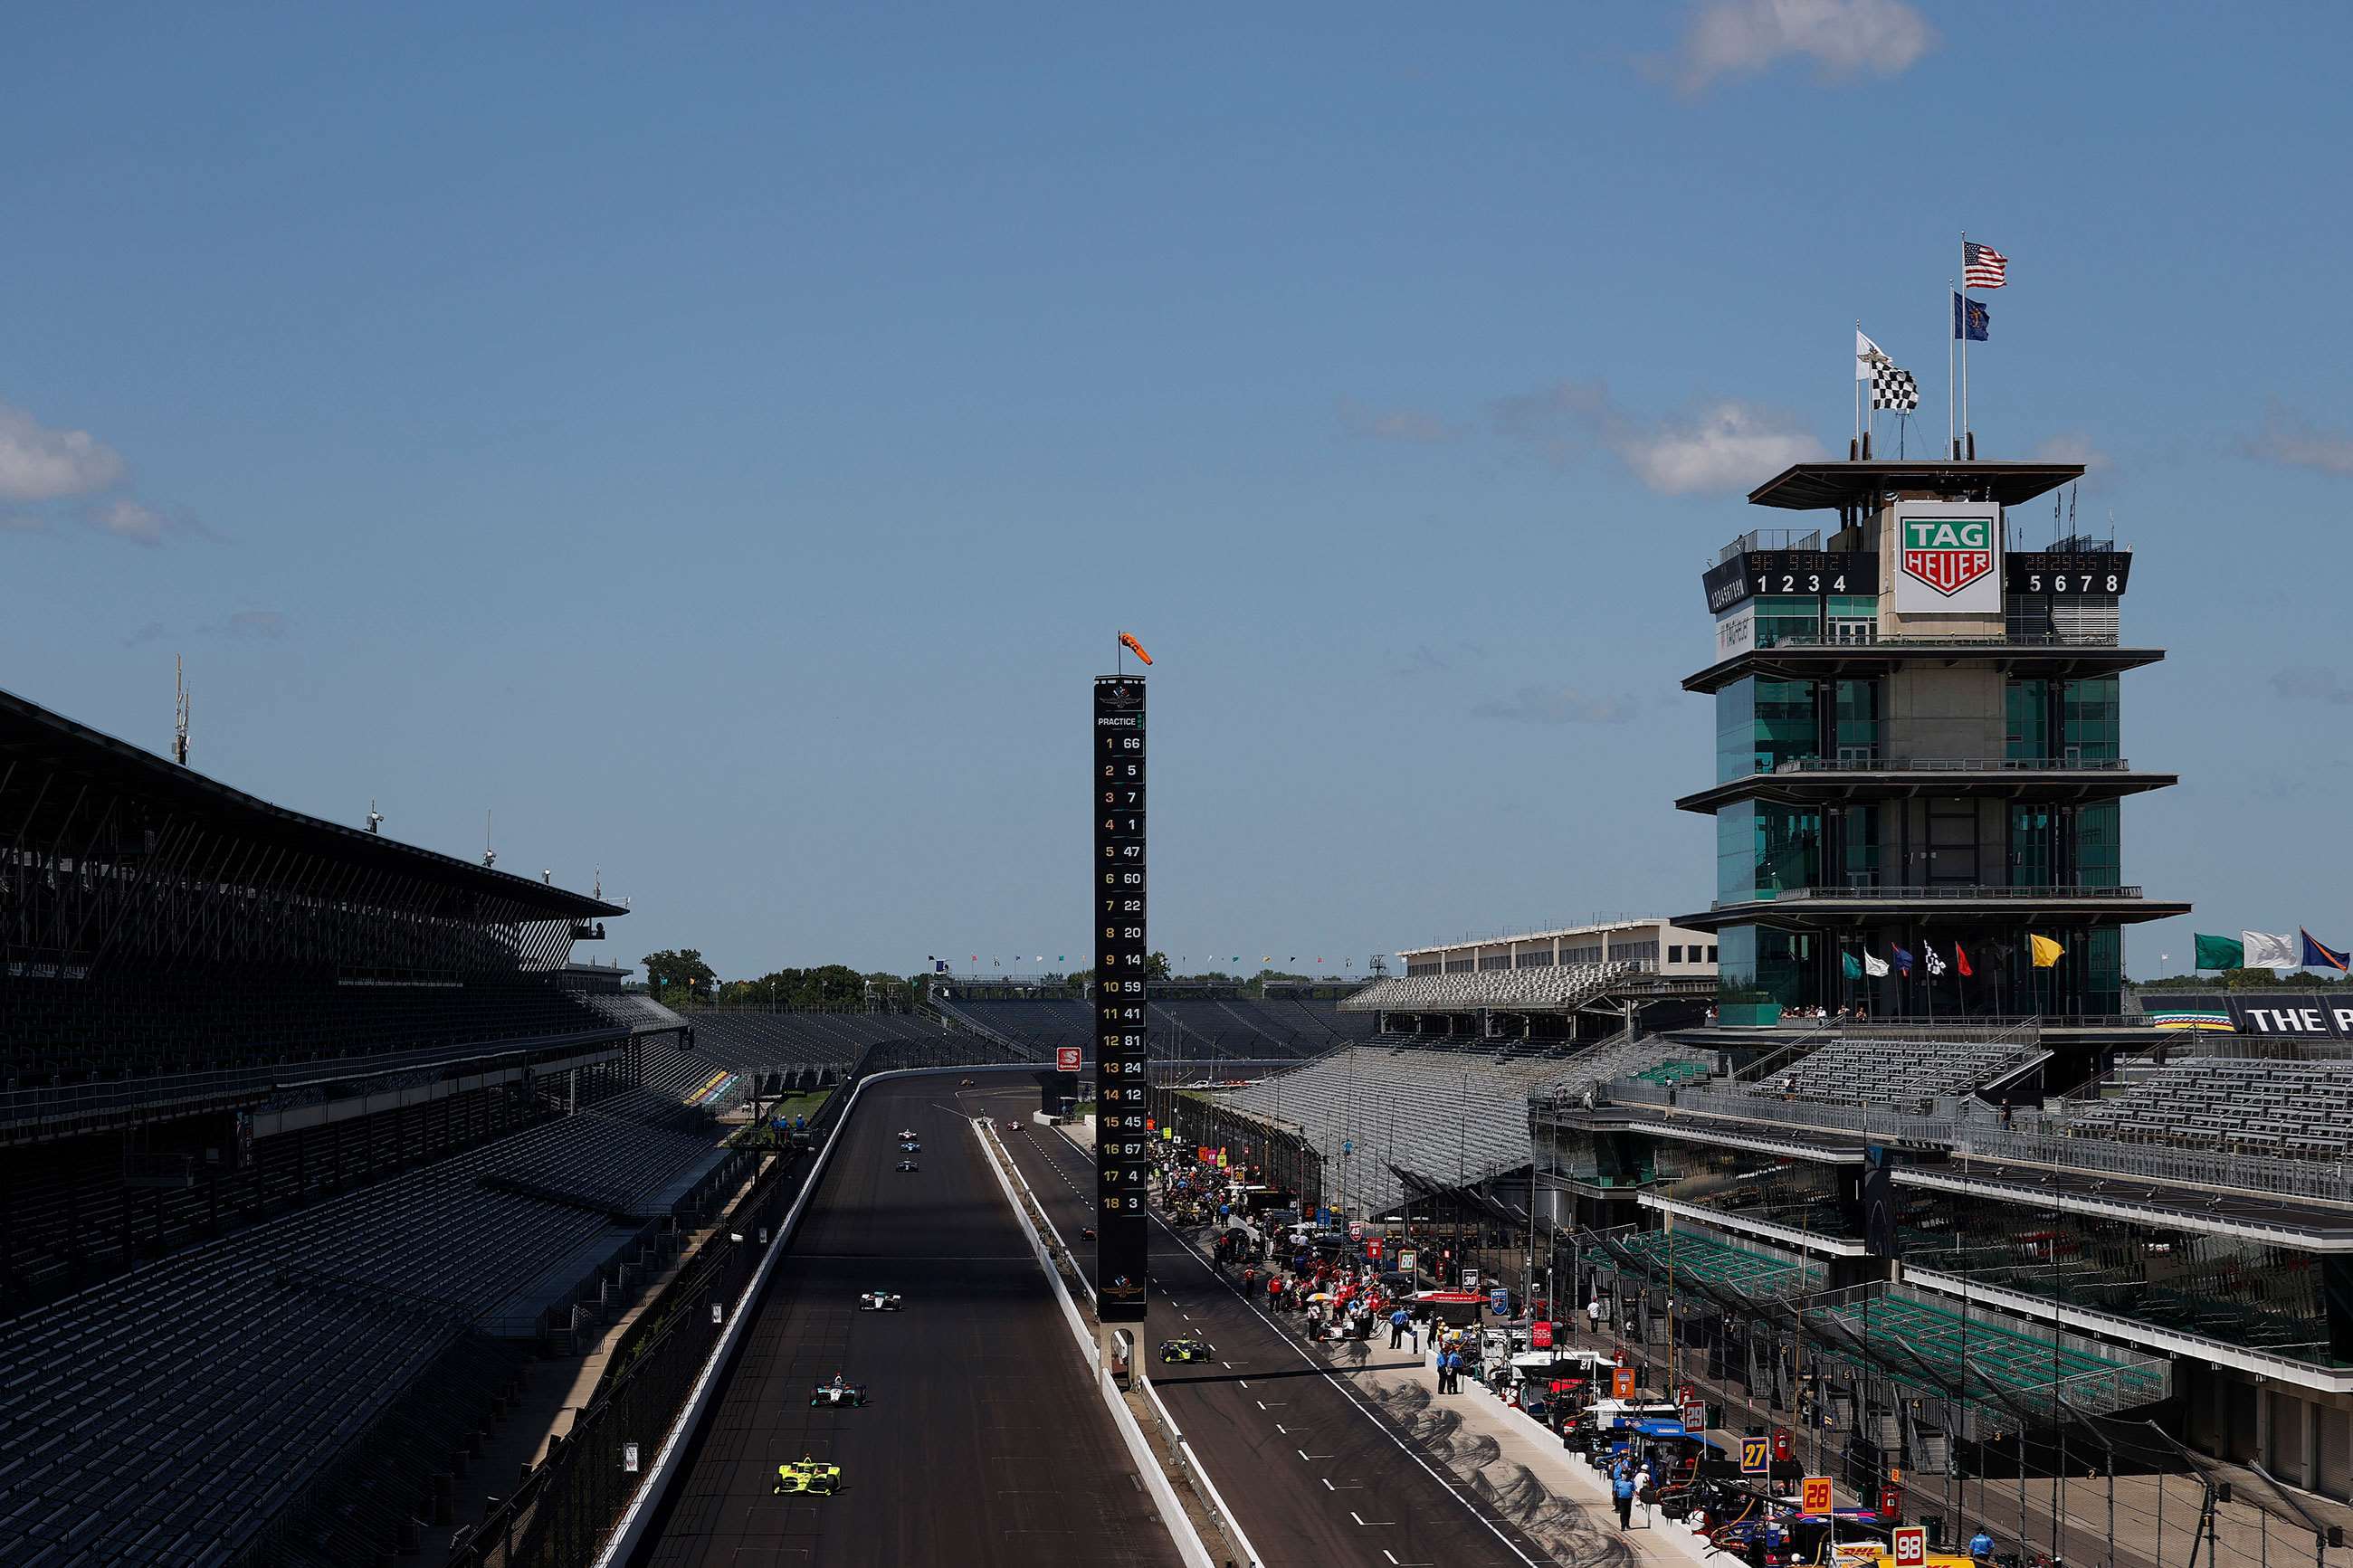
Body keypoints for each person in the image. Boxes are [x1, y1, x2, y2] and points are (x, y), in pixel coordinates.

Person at [1612, 1465, 1636, 1530]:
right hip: (1621, 1499)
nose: (1624, 1475)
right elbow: (1615, 1491)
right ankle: (1622, 1525)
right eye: (1623, 1474)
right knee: (1622, 1512)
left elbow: (1633, 1490)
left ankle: (1627, 1524)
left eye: (1625, 1474)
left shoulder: (1631, 1482)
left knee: (1628, 1512)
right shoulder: (1618, 1482)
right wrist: (1614, 1500)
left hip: (1629, 1499)